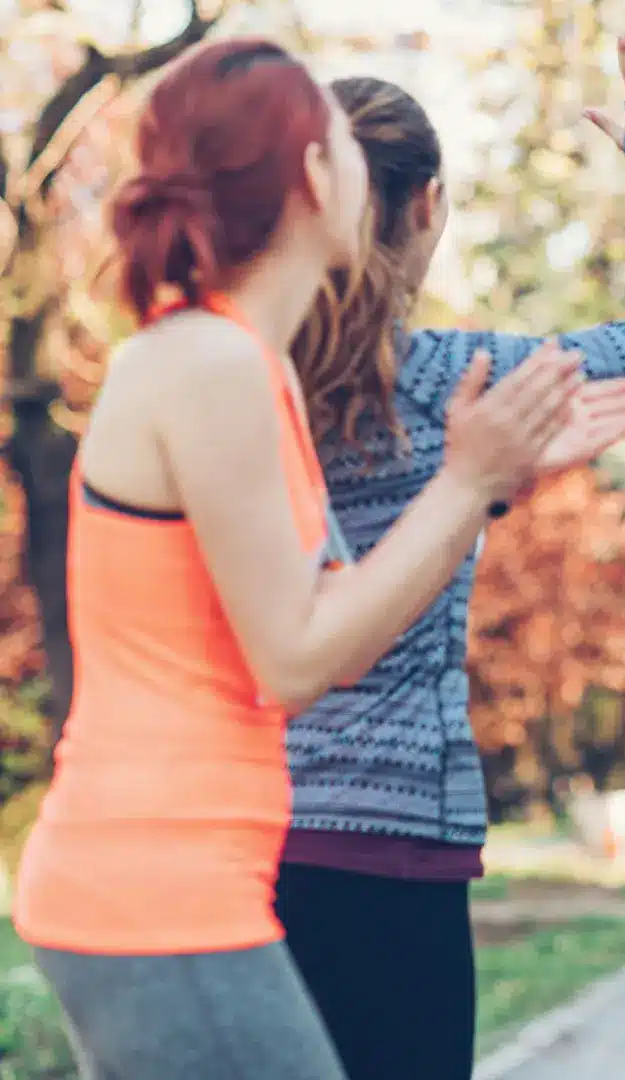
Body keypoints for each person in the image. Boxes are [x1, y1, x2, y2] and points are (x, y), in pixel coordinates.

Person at [10, 38, 583, 1079]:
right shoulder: (212, 364)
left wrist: (484, 482)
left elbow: (340, 636)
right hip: (156, 887)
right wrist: (462, 482)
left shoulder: (245, 366)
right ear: (317, 176)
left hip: (186, 881)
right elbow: (294, 661)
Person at [270, 19, 625, 1080]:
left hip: (252, 844)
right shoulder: (465, 384)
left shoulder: (241, 380)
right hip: (401, 849)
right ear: (430, 209)